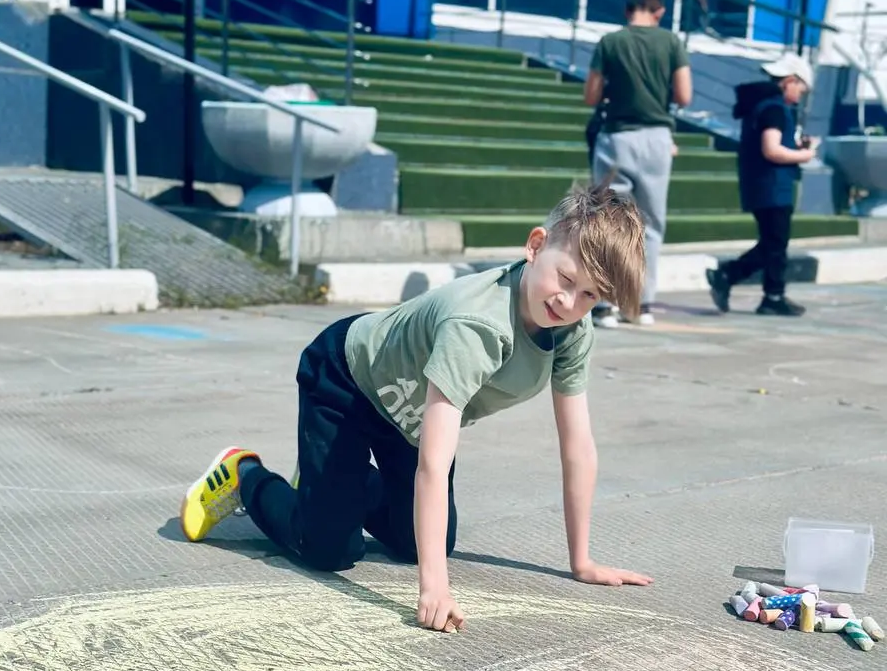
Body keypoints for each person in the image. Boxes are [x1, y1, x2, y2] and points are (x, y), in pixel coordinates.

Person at [179, 184, 654, 633]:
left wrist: (581, 561)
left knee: (422, 543)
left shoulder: (572, 332)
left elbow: (577, 447)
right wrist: (434, 588)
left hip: (407, 415)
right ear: (535, 246)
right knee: (327, 548)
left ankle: (330, 482)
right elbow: (433, 464)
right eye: (565, 279)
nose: (568, 302)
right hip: (346, 378)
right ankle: (246, 476)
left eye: (590, 295)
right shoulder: (477, 325)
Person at [584, 0, 692, 328]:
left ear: (627, 9)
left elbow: (591, 96)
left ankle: (605, 305)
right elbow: (684, 95)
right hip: (657, 139)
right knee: (651, 225)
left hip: (617, 137)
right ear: (659, 11)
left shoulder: (610, 42)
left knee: (609, 220)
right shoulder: (671, 42)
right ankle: (641, 304)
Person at [706, 53, 819, 317]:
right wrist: (805, 155)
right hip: (772, 186)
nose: (800, 95)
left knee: (774, 243)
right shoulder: (773, 109)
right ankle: (729, 275)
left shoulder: (764, 107)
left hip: (763, 185)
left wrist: (795, 147)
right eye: (800, 88)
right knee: (774, 244)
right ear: (789, 81)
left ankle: (773, 295)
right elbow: (772, 149)